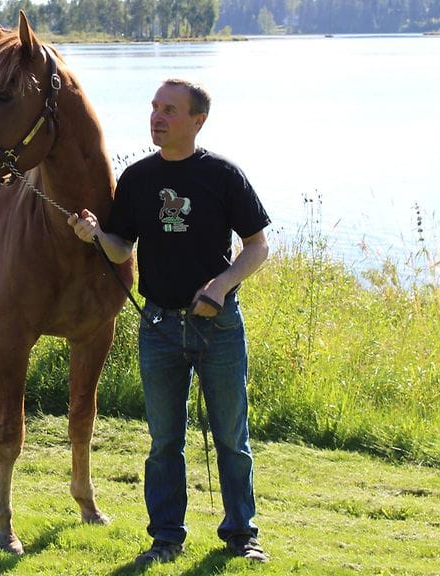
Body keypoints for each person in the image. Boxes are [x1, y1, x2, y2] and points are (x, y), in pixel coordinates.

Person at [68, 79, 271, 564]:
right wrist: (95, 234)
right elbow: (122, 247)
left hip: (217, 326)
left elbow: (258, 246)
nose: (157, 117)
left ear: (198, 121)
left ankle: (242, 536)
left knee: (231, 438)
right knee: (164, 443)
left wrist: (220, 287)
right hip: (157, 326)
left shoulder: (224, 176)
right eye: (155, 108)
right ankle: (165, 539)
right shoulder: (137, 179)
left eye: (170, 110)